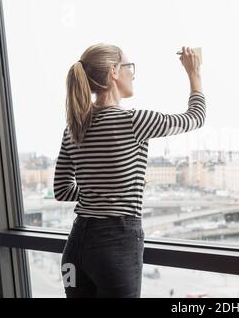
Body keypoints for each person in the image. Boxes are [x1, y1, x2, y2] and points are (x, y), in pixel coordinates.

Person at [56, 43, 205, 298]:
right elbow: (195, 117)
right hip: (115, 245)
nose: (133, 74)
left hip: (75, 250)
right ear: (114, 71)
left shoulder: (74, 129)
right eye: (129, 67)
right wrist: (194, 73)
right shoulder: (135, 121)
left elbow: (61, 190)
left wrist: (97, 191)